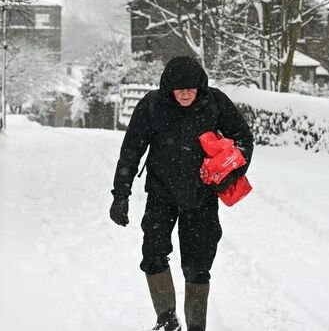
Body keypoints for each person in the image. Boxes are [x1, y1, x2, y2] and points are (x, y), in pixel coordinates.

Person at [109, 56, 254, 331]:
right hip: (161, 194)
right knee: (152, 255)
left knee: (198, 266)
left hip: (202, 197)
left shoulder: (215, 102)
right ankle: (166, 319)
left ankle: (196, 326)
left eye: (191, 87)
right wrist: (121, 194)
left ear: (200, 86)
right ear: (168, 88)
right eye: (179, 88)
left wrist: (231, 171)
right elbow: (131, 150)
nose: (186, 93)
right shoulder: (152, 106)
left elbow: (244, 139)